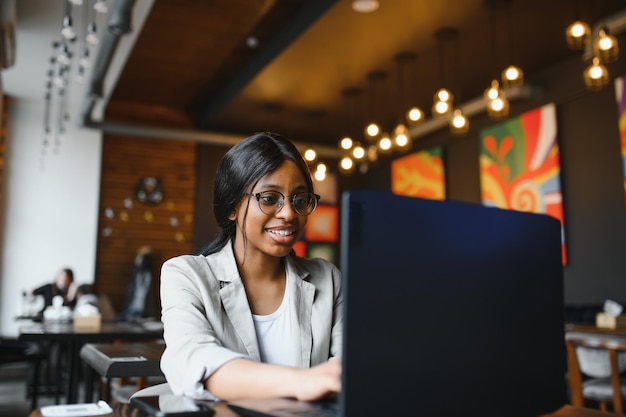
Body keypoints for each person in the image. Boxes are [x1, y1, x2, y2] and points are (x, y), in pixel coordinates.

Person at [160, 132, 343, 402]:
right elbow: (193, 361)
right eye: (269, 198)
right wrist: (303, 382)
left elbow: (348, 369)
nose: (289, 214)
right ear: (232, 206)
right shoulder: (186, 275)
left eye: (300, 200)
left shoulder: (327, 278)